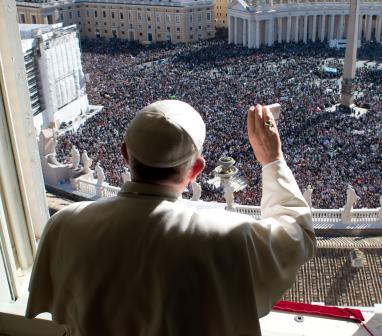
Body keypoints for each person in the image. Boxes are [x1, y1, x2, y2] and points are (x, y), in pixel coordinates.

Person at [26, 100, 316, 336]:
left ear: (126, 155)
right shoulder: (233, 236)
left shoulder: (63, 226)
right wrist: (272, 159)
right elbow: (298, 234)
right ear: (195, 171)